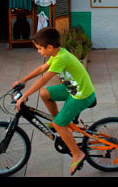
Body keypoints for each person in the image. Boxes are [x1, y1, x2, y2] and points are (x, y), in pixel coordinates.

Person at [11, 27, 96, 175]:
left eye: (39, 49)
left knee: (58, 124)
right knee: (45, 94)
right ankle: (59, 122)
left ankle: (77, 154)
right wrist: (24, 80)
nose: (38, 52)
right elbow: (41, 69)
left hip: (81, 95)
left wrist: (25, 96)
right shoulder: (57, 53)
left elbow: (44, 79)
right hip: (73, 88)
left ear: (49, 47)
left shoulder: (61, 58)